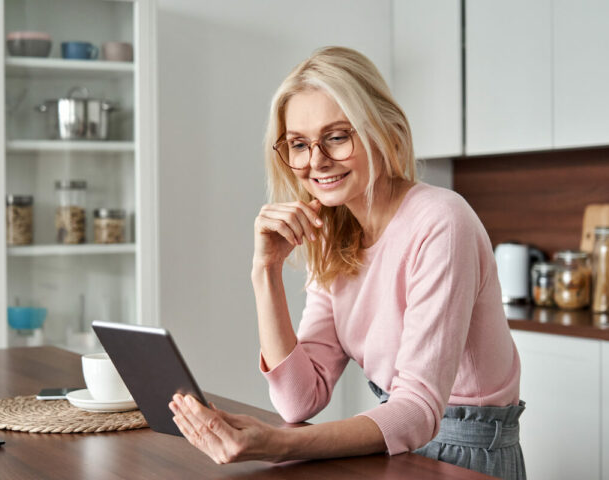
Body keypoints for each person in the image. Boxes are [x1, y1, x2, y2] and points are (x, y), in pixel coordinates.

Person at [168, 46, 526, 479]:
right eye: (299, 144)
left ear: (383, 130)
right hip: (399, 448)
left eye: (336, 137)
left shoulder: (441, 220)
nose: (316, 161)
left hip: (466, 459)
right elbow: (300, 399)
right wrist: (266, 271)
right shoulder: (334, 235)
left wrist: (278, 442)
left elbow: (416, 409)